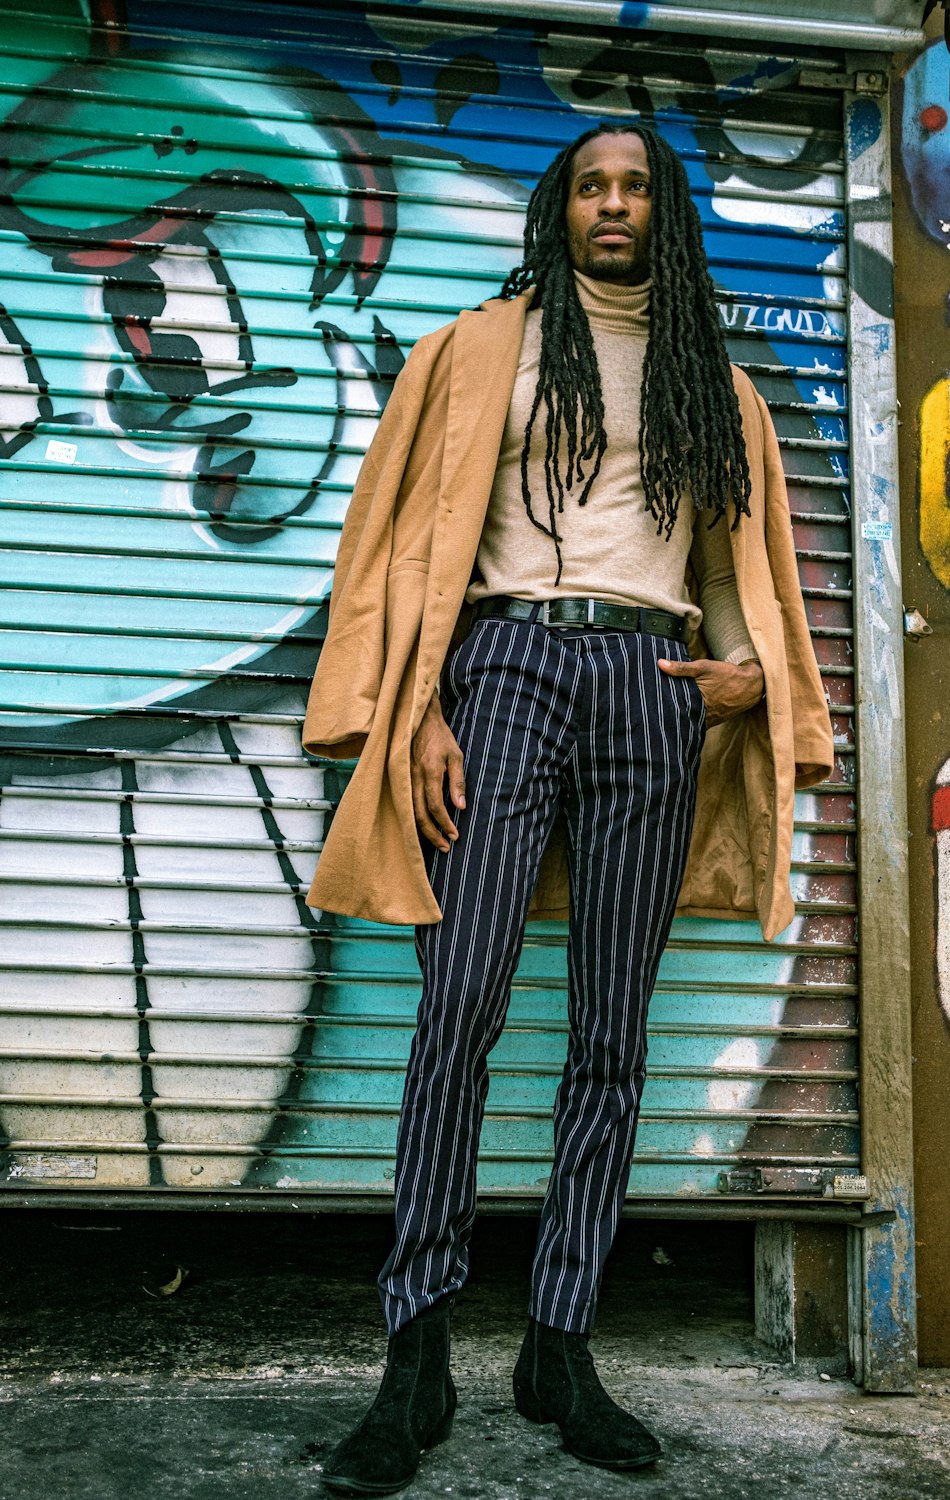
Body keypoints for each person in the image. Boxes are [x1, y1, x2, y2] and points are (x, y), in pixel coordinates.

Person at [303, 122, 834, 1496]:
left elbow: (736, 562)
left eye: (636, 187)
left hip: (651, 682)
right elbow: (407, 538)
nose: (613, 204)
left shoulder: (714, 384)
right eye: (592, 185)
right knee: (460, 1000)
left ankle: (561, 1341)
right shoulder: (478, 350)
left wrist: (744, 678)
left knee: (609, 1029)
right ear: (563, 208)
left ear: (665, 214)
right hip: (503, 664)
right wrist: (415, 710)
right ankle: (413, 1351)